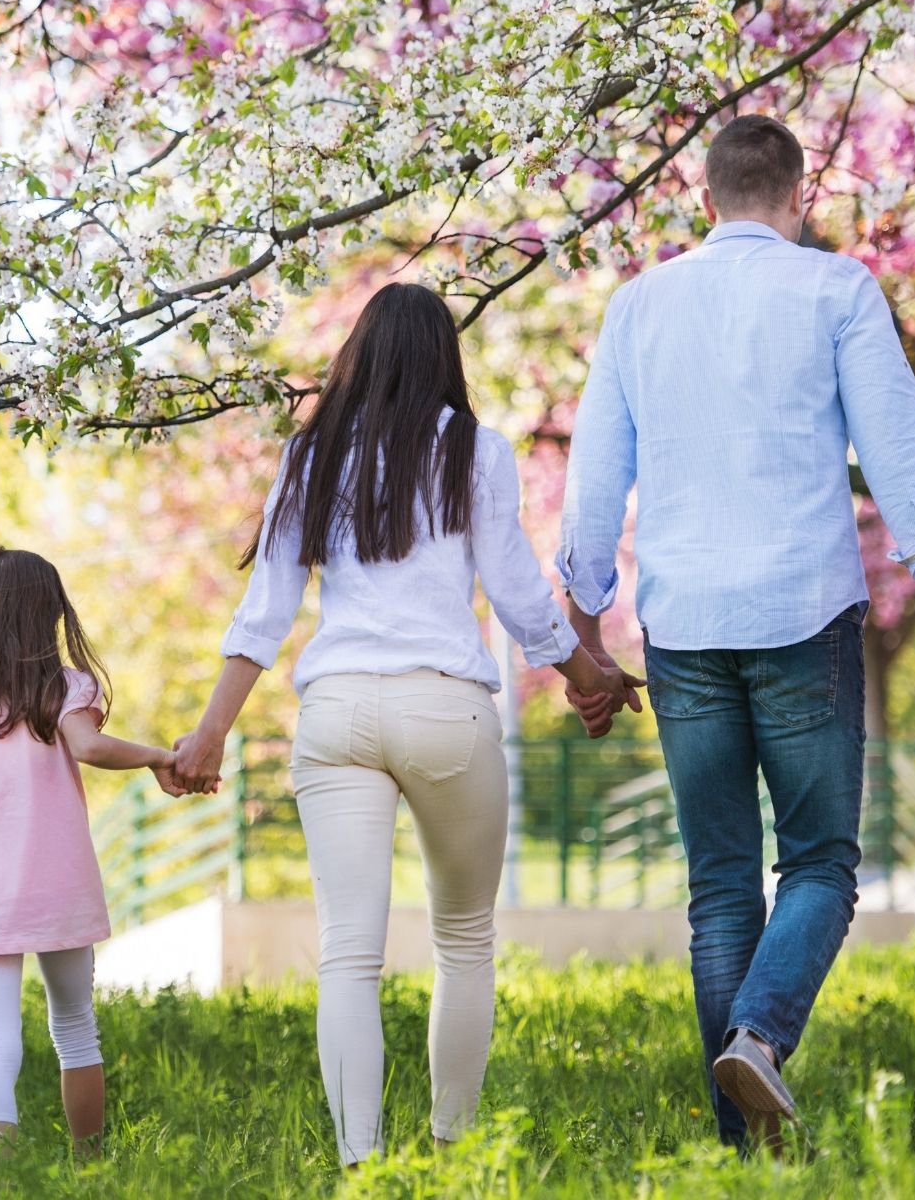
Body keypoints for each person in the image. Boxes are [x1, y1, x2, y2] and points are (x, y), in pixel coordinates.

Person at [557, 113, 915, 1153]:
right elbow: (898, 451)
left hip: (685, 623)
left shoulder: (638, 306)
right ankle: (757, 1037)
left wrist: (582, 630)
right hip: (803, 616)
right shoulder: (835, 289)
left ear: (703, 199)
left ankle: (739, 1146)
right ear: (799, 198)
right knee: (818, 866)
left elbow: (592, 483)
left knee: (719, 887)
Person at [170, 283, 642, 1167]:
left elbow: (264, 609)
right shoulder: (476, 450)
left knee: (348, 954)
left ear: (359, 356)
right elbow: (517, 600)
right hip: (444, 709)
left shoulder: (311, 456)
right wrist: (594, 676)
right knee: (463, 937)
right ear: (443, 361)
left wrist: (209, 732)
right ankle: (450, 1148)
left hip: (339, 710)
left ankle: (360, 1162)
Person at [0, 547, 188, 1157]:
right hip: (58, 886)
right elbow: (90, 749)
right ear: (45, 613)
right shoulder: (61, 688)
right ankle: (89, 1165)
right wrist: (160, 758)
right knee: (75, 1029)